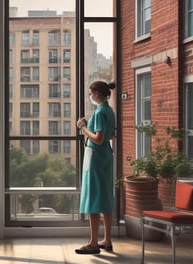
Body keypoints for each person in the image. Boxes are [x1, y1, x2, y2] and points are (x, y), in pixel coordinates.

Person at [75, 80, 116, 254]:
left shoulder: (100, 112)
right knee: (105, 196)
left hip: (96, 158)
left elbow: (98, 139)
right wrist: (89, 124)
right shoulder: (109, 110)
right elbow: (111, 134)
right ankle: (107, 239)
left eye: (91, 93)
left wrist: (83, 127)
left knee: (93, 198)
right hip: (105, 156)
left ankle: (93, 243)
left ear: (97, 93)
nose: (90, 96)